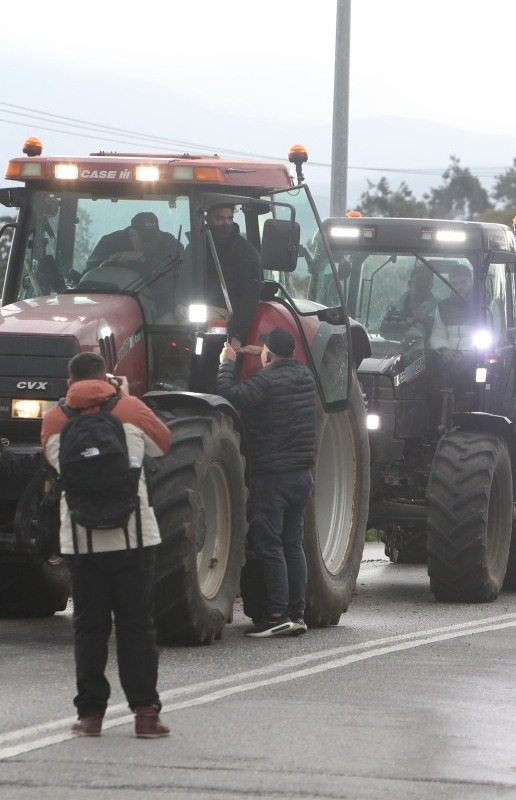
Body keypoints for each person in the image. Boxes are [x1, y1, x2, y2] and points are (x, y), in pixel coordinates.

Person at [40, 352, 172, 738]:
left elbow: (53, 465)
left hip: (81, 540)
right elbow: (163, 444)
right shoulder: (130, 407)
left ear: (69, 383)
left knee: (89, 627)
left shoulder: (55, 419)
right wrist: (126, 399)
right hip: (134, 537)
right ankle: (146, 715)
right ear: (107, 378)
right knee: (137, 626)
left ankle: (90, 716)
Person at [216, 327, 316, 638]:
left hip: (273, 477)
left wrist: (226, 363)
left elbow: (230, 396)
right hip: (302, 476)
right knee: (292, 544)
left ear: (269, 354)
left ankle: (276, 614)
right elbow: (278, 368)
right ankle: (297, 613)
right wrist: (254, 352)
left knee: (270, 545)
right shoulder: (305, 377)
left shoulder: (266, 382)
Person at [184, 204, 263, 350]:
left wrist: (237, 335)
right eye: (220, 219)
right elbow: (184, 281)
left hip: (225, 313)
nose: (226, 223)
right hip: (192, 310)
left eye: (229, 218)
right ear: (206, 218)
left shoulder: (246, 252)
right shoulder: (194, 248)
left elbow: (249, 296)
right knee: (164, 322)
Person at [429, 263, 475, 359]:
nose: (459, 287)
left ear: (471, 281)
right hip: (448, 360)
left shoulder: (483, 305)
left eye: (463, 282)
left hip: (475, 359)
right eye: (454, 283)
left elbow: (490, 338)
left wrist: (464, 354)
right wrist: (444, 350)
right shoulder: (443, 306)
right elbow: (438, 333)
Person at [380, 264, 438, 339]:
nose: (423, 285)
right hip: (392, 348)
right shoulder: (395, 305)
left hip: (426, 350)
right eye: (419, 280)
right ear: (410, 284)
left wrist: (425, 319)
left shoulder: (439, 307)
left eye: (427, 281)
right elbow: (381, 329)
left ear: (431, 286)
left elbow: (441, 332)